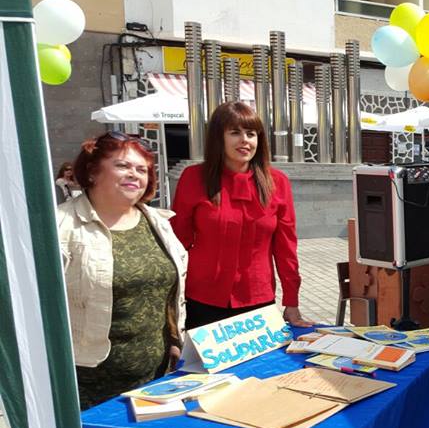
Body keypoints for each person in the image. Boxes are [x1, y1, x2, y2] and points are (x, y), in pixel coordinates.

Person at [58, 132, 187, 409]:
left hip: (157, 379)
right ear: (92, 171)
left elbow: (169, 293)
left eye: (142, 169)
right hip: (87, 388)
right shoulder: (60, 227)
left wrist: (175, 338)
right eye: (122, 165)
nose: (134, 175)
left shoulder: (158, 221)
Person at [171, 101, 314, 329]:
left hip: (257, 298)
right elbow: (178, 242)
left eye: (251, 133)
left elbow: (286, 247)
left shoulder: (277, 183)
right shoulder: (194, 177)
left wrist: (292, 300)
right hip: (202, 298)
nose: (245, 140)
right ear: (219, 137)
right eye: (235, 133)